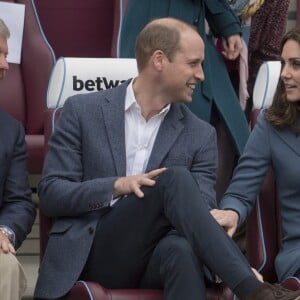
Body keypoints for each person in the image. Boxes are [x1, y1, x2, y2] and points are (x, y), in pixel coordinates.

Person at [34, 18, 300, 300]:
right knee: (172, 178)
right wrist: (116, 186)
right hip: (91, 252)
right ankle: (252, 289)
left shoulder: (200, 134)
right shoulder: (81, 111)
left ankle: (251, 288)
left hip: (156, 256)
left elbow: (200, 210)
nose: (201, 75)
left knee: (181, 250)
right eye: (194, 63)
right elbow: (51, 194)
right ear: (159, 60)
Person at [118, 0, 251, 202]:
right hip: (152, 23)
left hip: (194, 30)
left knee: (229, 127)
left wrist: (226, 25)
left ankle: (211, 215)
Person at [212, 27, 300, 284]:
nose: (284, 73)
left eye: (295, 65)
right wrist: (231, 211)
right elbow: (242, 188)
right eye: (284, 63)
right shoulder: (271, 125)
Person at [0, 18, 37, 300]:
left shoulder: (10, 130)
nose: (5, 66)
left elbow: (19, 202)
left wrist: (4, 232)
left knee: (6, 266)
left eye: (5, 55)